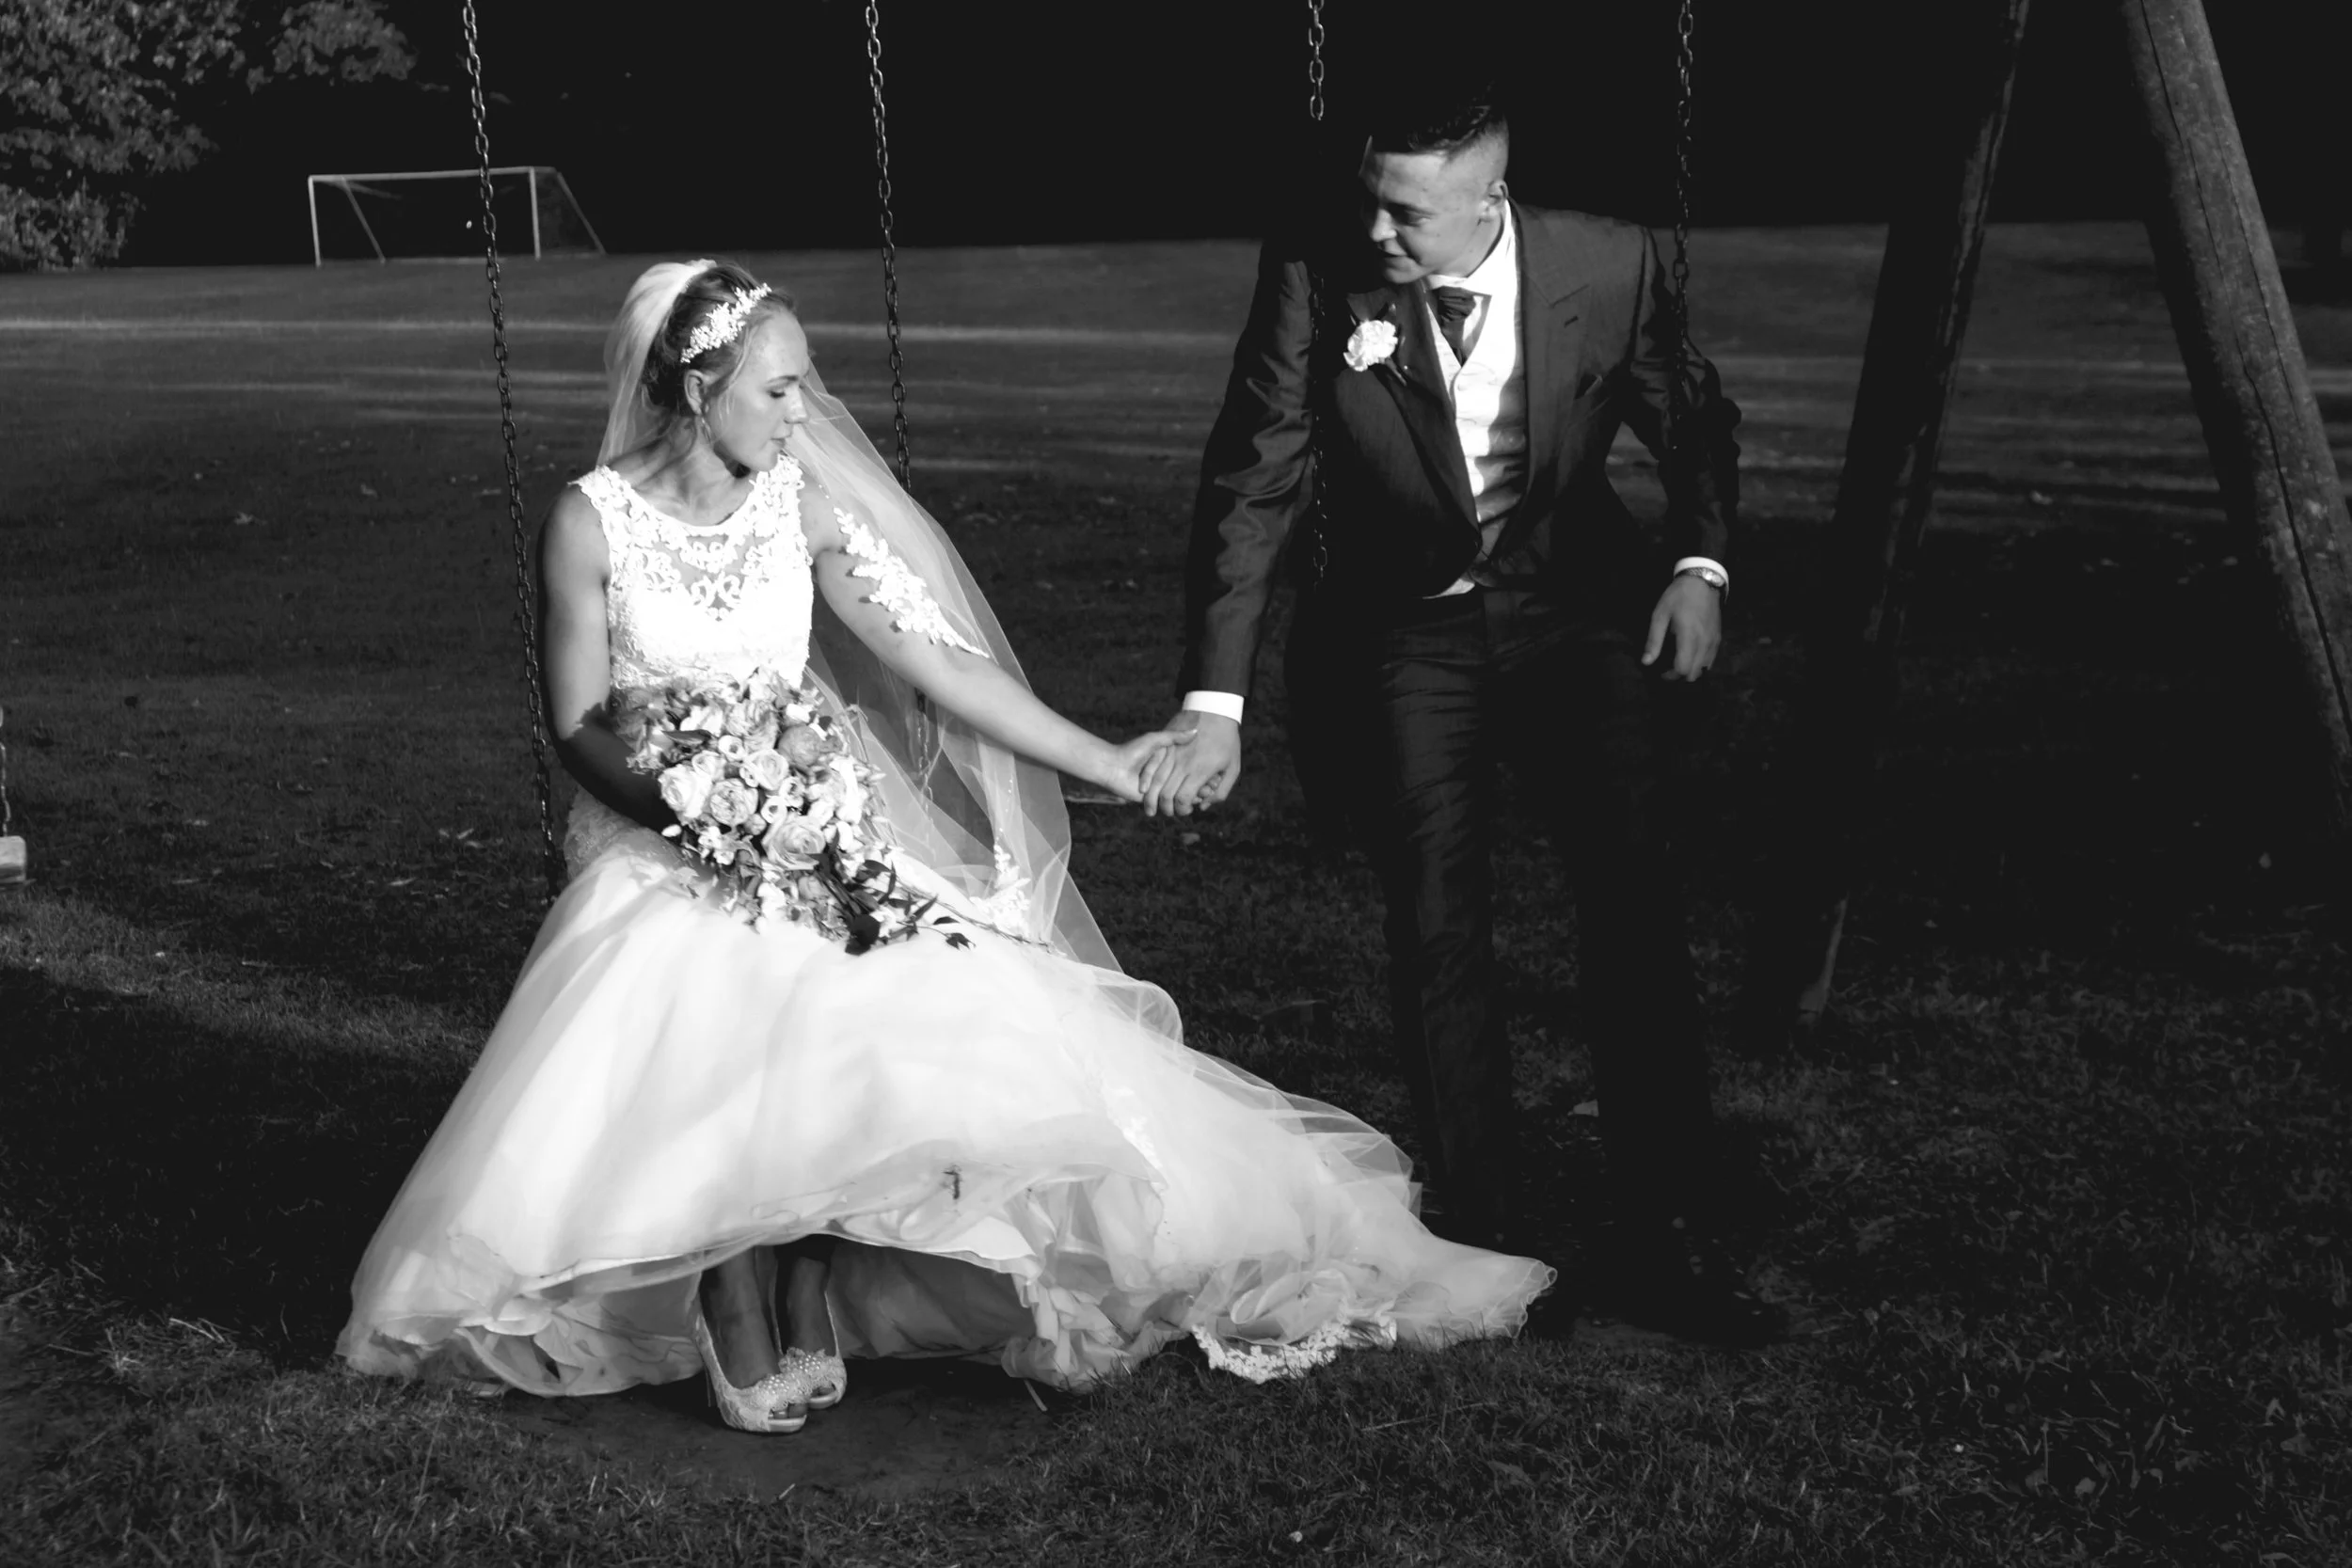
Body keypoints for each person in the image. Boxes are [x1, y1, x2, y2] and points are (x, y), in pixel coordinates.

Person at [336, 259, 1553, 1433]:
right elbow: (580, 720)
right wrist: (703, 816)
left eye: (807, 383)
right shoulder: (589, 520)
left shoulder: (797, 505)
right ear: (694, 387)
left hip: (816, 829)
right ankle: (727, 1293)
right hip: (663, 841)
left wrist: (1106, 758)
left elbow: (937, 659)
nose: (803, 411)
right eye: (778, 388)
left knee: (897, 1004)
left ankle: (806, 1278)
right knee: (719, 1003)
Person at [1142, 86, 1782, 1345]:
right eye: (1368, 202)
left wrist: (1698, 567)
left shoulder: (1608, 261)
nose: (1377, 234)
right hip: (1405, 625)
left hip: (1570, 609)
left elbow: (1694, 422)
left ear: (1491, 195)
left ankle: (1668, 1221)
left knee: (1634, 900)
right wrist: (1212, 701)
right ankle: (1486, 1247)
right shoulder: (1322, 273)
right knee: (1438, 915)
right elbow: (1254, 474)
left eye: (1407, 214)